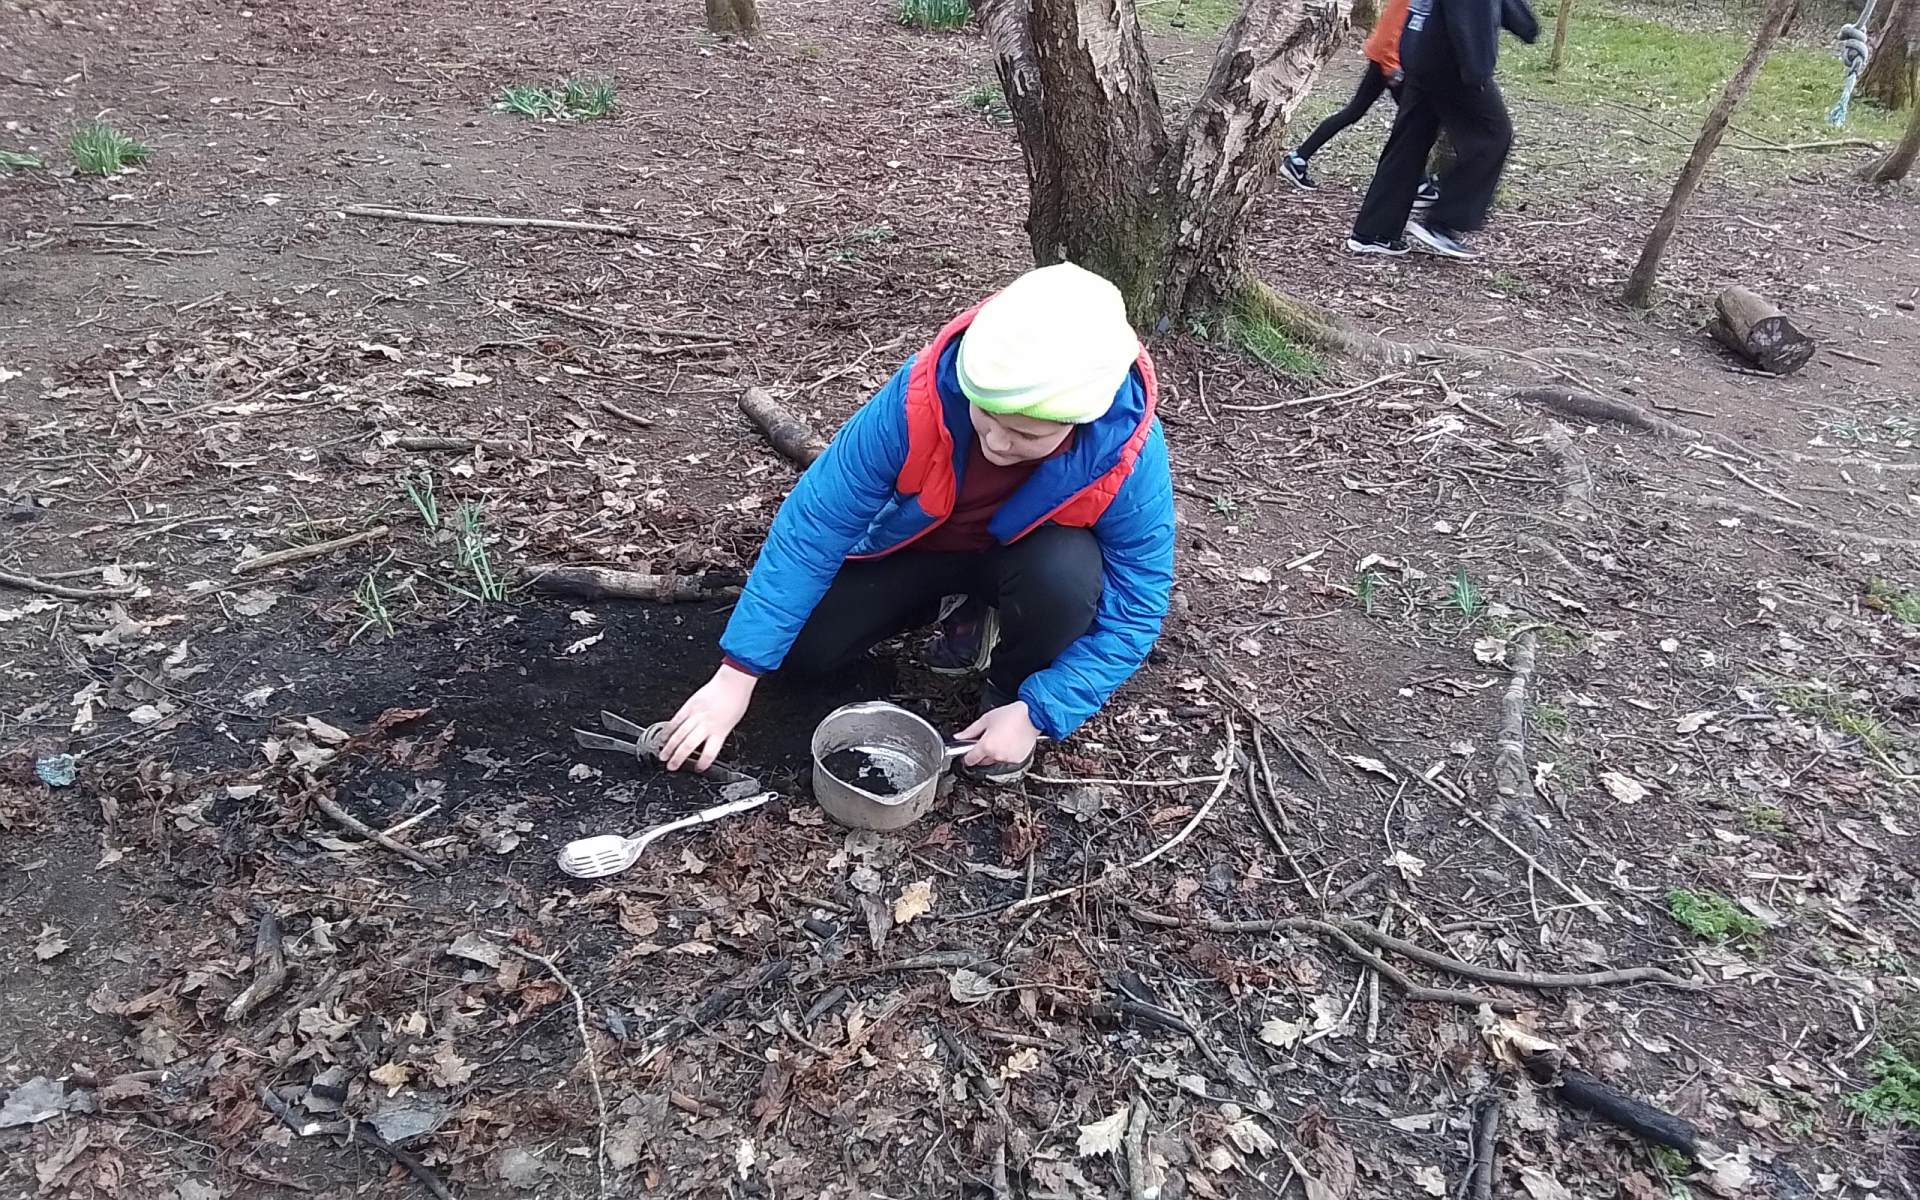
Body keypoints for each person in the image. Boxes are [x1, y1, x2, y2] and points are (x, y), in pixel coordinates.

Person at [657, 262, 1176, 786]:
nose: (998, 444)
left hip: (1031, 565)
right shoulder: (918, 401)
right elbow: (816, 525)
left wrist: (1038, 712)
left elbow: (1138, 605)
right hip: (925, 548)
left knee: (1064, 575)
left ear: (1082, 419)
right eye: (986, 416)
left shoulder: (1127, 454)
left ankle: (1005, 694)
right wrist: (738, 673)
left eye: (1026, 435)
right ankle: (956, 609)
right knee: (802, 652)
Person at [1346, 0, 1538, 259]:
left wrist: (1525, 24)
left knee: (1409, 141)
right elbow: (1470, 9)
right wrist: (1477, 69)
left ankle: (1372, 232)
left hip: (1419, 51)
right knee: (1493, 135)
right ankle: (1443, 223)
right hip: (1450, 60)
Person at [1279, 0, 1414, 190]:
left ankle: (1299, 159)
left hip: (1388, 59)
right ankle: (1417, 182)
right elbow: (1393, 25)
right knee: (1412, 120)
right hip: (1389, 62)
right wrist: (1392, 66)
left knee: (1357, 112)